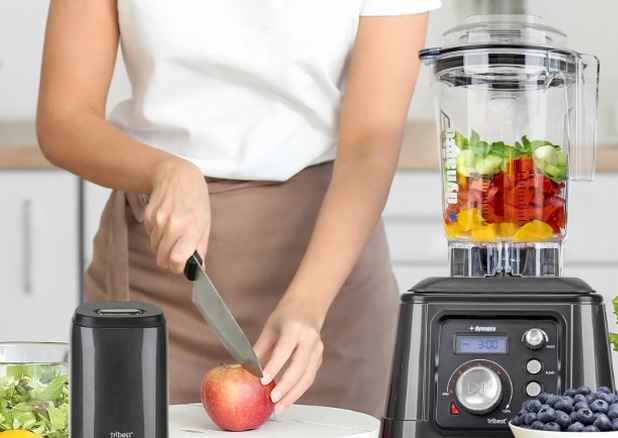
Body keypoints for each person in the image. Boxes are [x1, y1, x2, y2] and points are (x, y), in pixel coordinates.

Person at [36, 0, 441, 418]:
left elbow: (370, 145)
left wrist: (307, 305)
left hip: (326, 279)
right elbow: (62, 118)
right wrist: (163, 170)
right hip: (160, 278)